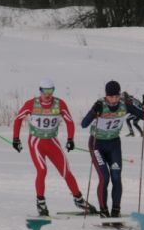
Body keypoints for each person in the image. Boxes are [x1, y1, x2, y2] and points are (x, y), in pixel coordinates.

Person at [12, 78, 96, 216]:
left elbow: (69, 121)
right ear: (40, 91)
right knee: (42, 170)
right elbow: (18, 119)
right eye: (45, 91)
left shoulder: (59, 103)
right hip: (36, 142)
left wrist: (70, 139)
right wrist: (16, 139)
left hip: (52, 141)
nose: (48, 94)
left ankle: (79, 199)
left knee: (66, 171)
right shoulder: (31, 104)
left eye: (50, 91)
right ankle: (40, 203)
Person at [81, 81, 144, 224]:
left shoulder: (125, 104)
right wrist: (95, 111)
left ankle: (115, 210)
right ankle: (104, 211)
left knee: (116, 177)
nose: (113, 99)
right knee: (104, 177)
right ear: (106, 96)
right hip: (97, 144)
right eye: (110, 97)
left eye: (116, 96)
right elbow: (84, 124)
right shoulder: (100, 104)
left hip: (114, 144)